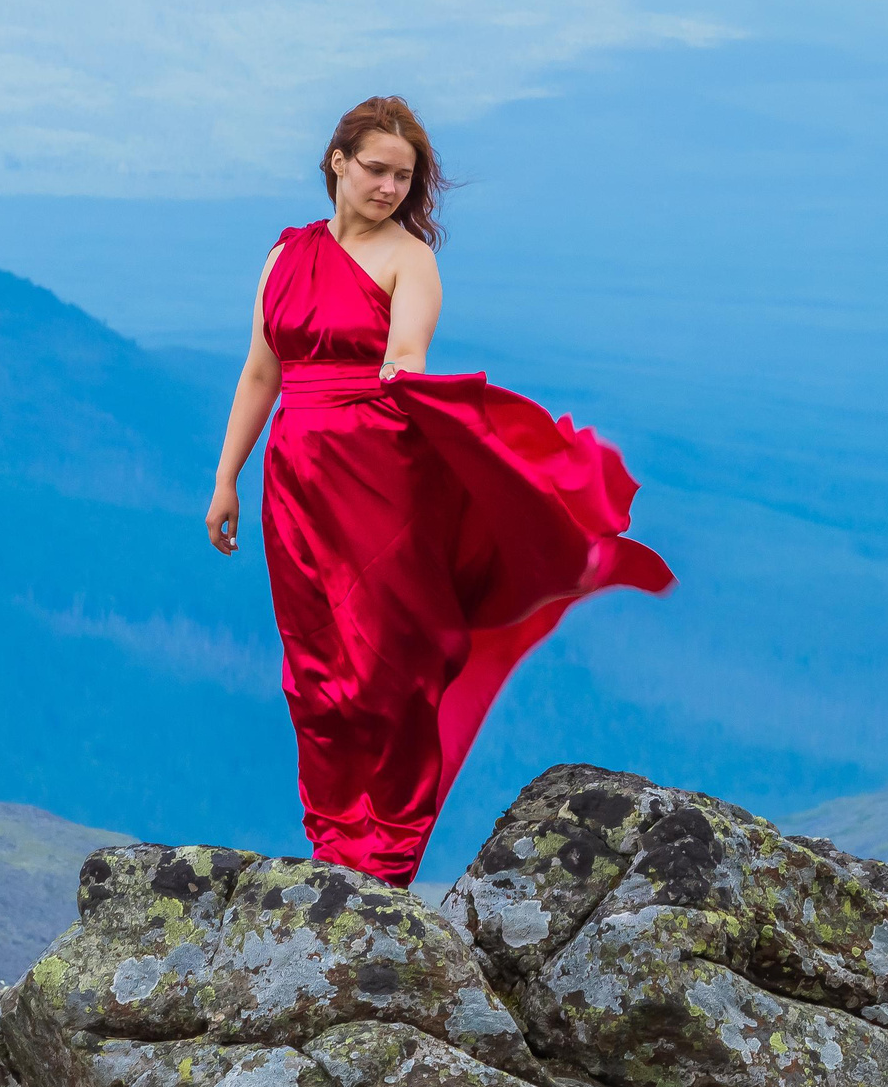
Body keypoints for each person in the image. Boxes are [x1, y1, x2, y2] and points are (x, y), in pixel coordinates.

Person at [203, 95, 673, 885]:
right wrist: (226, 479)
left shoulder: (409, 257)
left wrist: (410, 385)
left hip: (380, 475)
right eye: (377, 170)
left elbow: (406, 355)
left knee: (391, 664)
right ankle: (332, 849)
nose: (389, 187)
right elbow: (261, 371)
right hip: (294, 479)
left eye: (403, 176)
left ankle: (383, 860)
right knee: (313, 667)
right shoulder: (284, 255)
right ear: (337, 161)